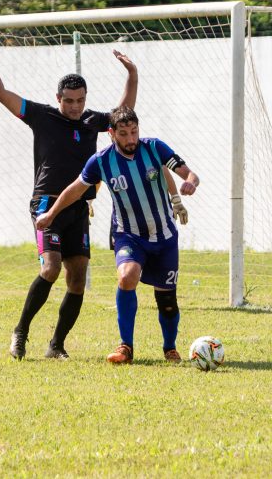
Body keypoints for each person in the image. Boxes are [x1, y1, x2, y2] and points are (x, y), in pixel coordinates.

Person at [0, 28, 138, 360]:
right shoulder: (42, 116)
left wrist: (133, 74)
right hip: (46, 203)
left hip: (79, 206)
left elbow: (123, 113)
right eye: (69, 101)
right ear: (58, 98)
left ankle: (56, 345)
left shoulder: (93, 121)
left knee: (77, 279)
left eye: (80, 100)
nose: (75, 107)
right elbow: (0, 93)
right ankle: (20, 334)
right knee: (50, 268)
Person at [35, 106, 200, 364]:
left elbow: (186, 171)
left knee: (166, 299)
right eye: (123, 134)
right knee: (126, 276)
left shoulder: (154, 147)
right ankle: (126, 347)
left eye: (134, 132)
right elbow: (75, 190)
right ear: (111, 133)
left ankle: (169, 347)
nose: (131, 139)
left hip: (164, 235)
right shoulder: (101, 161)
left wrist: (189, 182)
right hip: (128, 235)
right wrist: (51, 214)